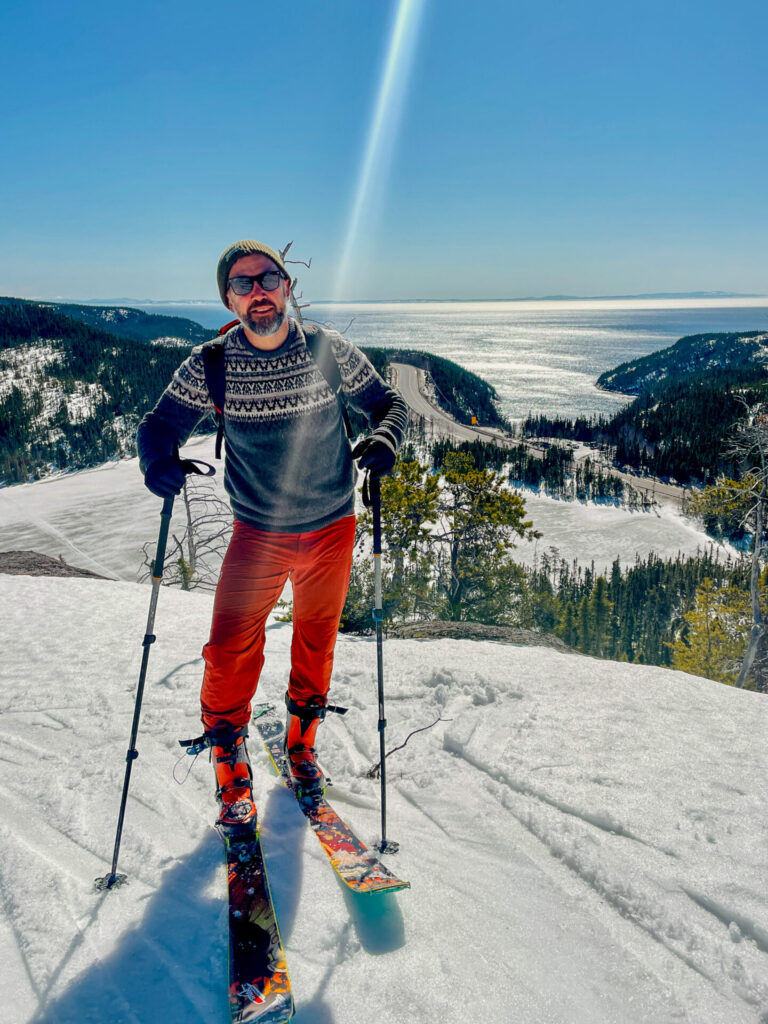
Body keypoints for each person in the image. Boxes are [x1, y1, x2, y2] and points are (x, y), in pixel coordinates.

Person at [137, 239, 407, 832]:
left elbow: (388, 405)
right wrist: (156, 460)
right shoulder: (211, 364)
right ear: (229, 300)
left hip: (332, 526)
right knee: (229, 648)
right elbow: (160, 423)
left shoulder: (326, 350)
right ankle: (230, 762)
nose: (258, 291)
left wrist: (384, 440)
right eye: (243, 284)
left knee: (317, 640)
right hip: (258, 531)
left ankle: (301, 744)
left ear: (287, 287)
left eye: (268, 278)